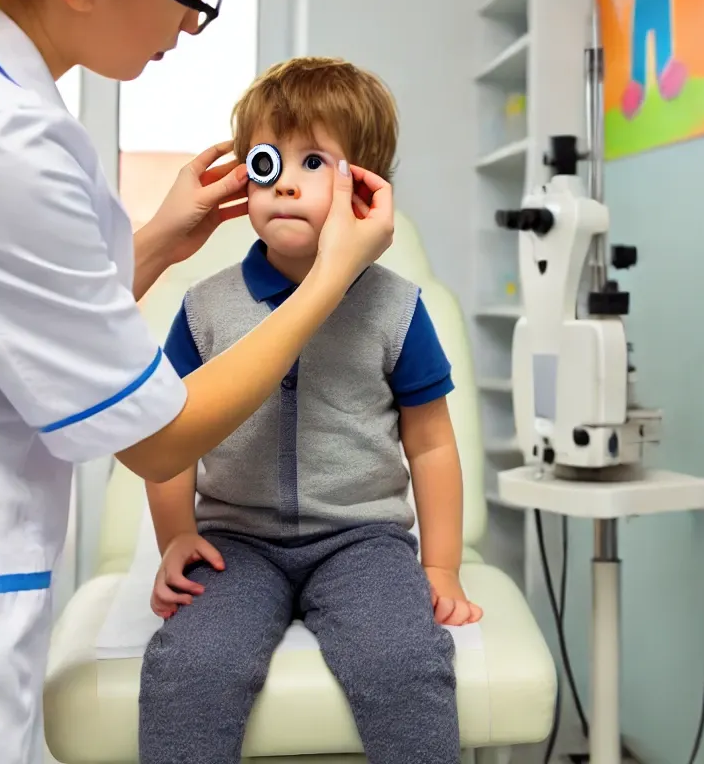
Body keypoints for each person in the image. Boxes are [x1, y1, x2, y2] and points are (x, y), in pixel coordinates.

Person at [0, 0, 394, 764]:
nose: (193, 23)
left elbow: (28, 324)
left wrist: (155, 239)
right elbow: (160, 441)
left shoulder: (0, 111)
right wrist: (329, 278)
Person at [137, 57, 482, 764]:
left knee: (404, 663)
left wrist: (441, 567)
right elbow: (165, 434)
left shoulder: (395, 307)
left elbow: (432, 445)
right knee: (189, 669)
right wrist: (176, 536)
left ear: (365, 188)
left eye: (314, 161)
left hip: (363, 543)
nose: (285, 182)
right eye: (269, 163)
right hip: (237, 544)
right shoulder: (205, 306)